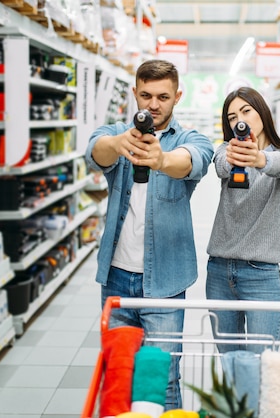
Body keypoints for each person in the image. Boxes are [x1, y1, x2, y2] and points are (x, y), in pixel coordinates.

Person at [84, 59, 214, 409]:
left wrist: (160, 160)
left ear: (177, 97)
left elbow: (194, 159)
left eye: (162, 96)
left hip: (166, 283)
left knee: (164, 378)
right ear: (135, 94)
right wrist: (120, 143)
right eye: (146, 95)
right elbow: (95, 152)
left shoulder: (189, 138)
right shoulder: (116, 132)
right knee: (118, 374)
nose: (153, 105)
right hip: (116, 277)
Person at [206, 86, 280, 354]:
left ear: (262, 112)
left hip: (261, 275)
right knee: (230, 364)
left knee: (262, 366)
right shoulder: (226, 150)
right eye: (231, 116)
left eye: (246, 110)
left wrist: (259, 158)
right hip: (219, 271)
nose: (240, 118)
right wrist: (237, 155)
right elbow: (220, 167)